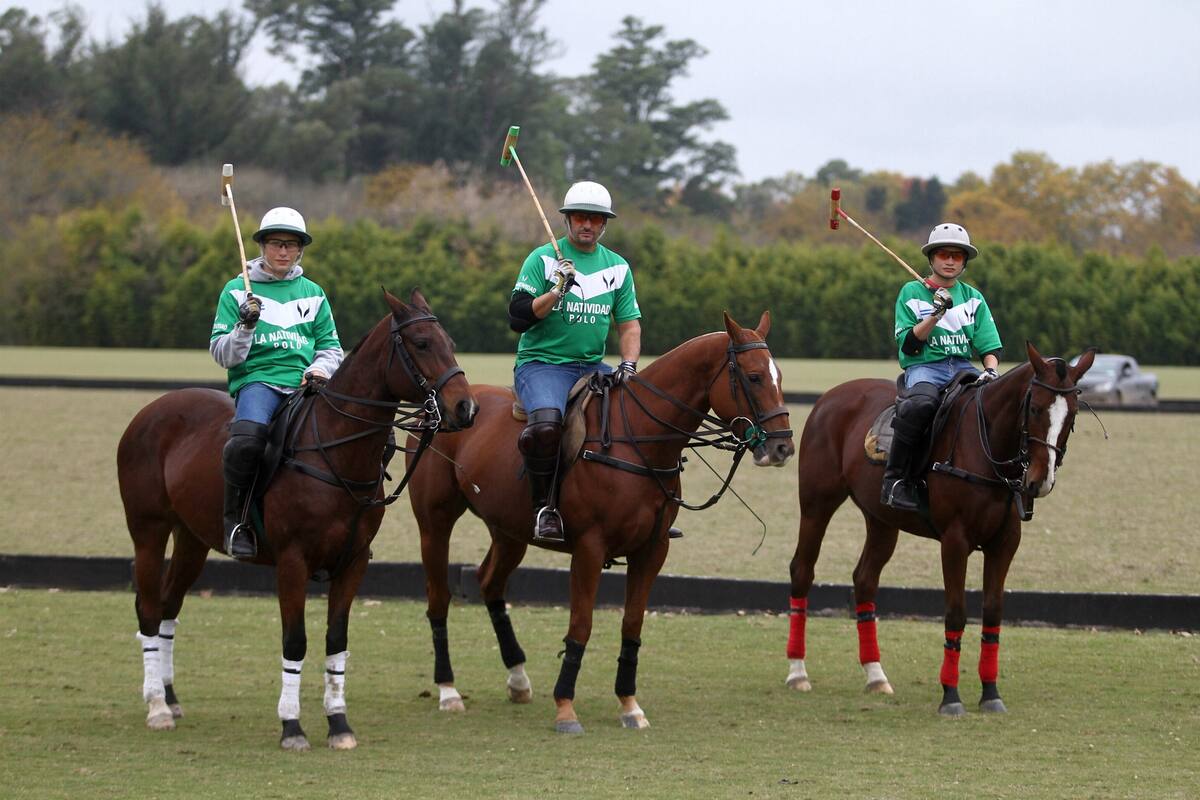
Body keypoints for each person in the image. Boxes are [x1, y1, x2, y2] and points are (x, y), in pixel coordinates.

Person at [507, 181, 642, 542]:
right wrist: (556, 291)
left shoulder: (617, 267)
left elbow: (629, 324)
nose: (588, 225)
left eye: (596, 219)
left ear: (604, 224)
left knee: (634, 417)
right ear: (567, 220)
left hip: (592, 366)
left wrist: (627, 364)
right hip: (542, 364)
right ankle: (544, 508)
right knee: (548, 426)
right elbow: (518, 317)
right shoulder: (543, 259)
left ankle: (638, 509)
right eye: (581, 217)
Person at [210, 207, 343, 559]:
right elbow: (222, 354)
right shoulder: (237, 291)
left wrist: (320, 370)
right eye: (275, 243)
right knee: (247, 442)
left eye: (291, 244)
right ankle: (236, 522)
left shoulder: (313, 292)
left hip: (307, 385)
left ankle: (349, 521)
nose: (283, 251)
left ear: (301, 250)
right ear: (262, 247)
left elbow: (331, 347)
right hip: (259, 381)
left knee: (364, 435)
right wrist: (245, 327)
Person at [881, 222, 1003, 512]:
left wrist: (991, 370)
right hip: (925, 367)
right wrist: (935, 315)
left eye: (957, 256)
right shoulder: (911, 292)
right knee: (920, 405)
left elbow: (989, 346)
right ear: (932, 258)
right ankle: (895, 479)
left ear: (964, 262)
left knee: (994, 407)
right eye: (944, 254)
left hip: (963, 366)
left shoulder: (973, 298)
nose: (950, 261)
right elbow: (909, 345)